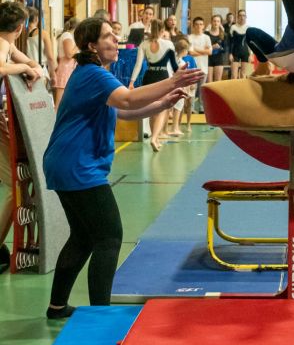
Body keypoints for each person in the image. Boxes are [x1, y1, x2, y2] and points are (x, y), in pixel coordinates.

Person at [42, 17, 202, 319]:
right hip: (77, 166)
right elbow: (128, 100)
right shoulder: (93, 75)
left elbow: (125, 112)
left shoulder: (93, 74)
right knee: (109, 236)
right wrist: (175, 81)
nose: (116, 40)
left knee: (83, 237)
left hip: (67, 163)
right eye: (108, 37)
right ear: (92, 46)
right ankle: (100, 315)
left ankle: (58, 306)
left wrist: (163, 102)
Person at [0, 2, 43, 272]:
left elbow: (28, 60)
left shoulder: (7, 44)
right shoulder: (2, 45)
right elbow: (3, 68)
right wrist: (24, 70)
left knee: (16, 187)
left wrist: (32, 67)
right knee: (16, 188)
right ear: (20, 27)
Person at [129, 19, 178, 151]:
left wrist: (132, 82)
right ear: (163, 31)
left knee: (152, 109)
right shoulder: (168, 44)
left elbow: (138, 65)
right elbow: (174, 66)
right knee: (162, 109)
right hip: (162, 76)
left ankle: (154, 138)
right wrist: (179, 80)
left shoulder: (144, 44)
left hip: (149, 76)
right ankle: (154, 137)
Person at [21, 7, 56, 91]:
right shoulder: (43, 34)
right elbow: (50, 57)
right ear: (37, 19)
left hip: (25, 71)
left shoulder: (21, 34)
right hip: (40, 70)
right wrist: (53, 74)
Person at [188, 16, 212, 111]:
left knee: (202, 89)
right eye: (197, 24)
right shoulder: (190, 37)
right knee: (193, 89)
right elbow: (191, 52)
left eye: (201, 24)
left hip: (203, 68)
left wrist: (196, 49)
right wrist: (204, 51)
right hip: (193, 68)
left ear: (203, 26)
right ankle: (192, 108)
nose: (199, 26)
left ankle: (202, 108)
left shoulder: (207, 37)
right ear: (193, 26)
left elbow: (209, 52)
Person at [54, 16, 78, 107]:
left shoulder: (68, 35)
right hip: (66, 68)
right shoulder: (67, 35)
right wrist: (79, 44)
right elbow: (69, 54)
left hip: (68, 68)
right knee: (60, 101)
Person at [228, 9, 251, 79]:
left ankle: (241, 90)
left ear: (246, 17)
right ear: (237, 17)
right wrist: (230, 53)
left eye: (243, 15)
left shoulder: (249, 28)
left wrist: (250, 54)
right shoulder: (233, 27)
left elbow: (250, 43)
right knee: (234, 75)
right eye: (240, 15)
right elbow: (230, 42)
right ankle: (233, 90)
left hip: (245, 52)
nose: (242, 17)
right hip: (235, 52)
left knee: (243, 75)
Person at [206, 13, 227, 83]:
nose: (216, 23)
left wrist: (220, 47)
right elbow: (203, 47)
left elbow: (225, 49)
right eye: (214, 21)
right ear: (211, 22)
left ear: (220, 23)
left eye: (218, 21)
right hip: (208, 59)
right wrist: (212, 47)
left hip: (219, 58)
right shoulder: (206, 34)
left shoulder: (224, 35)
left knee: (217, 81)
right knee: (209, 82)